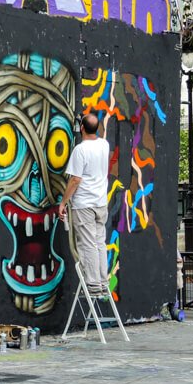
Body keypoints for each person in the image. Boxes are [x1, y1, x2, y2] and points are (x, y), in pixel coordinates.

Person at [58, 114, 110, 297]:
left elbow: (75, 180)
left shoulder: (80, 150)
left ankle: (93, 284)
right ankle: (103, 282)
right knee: (99, 242)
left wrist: (63, 202)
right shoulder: (104, 145)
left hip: (84, 204)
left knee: (87, 243)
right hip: (101, 203)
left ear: (81, 128)